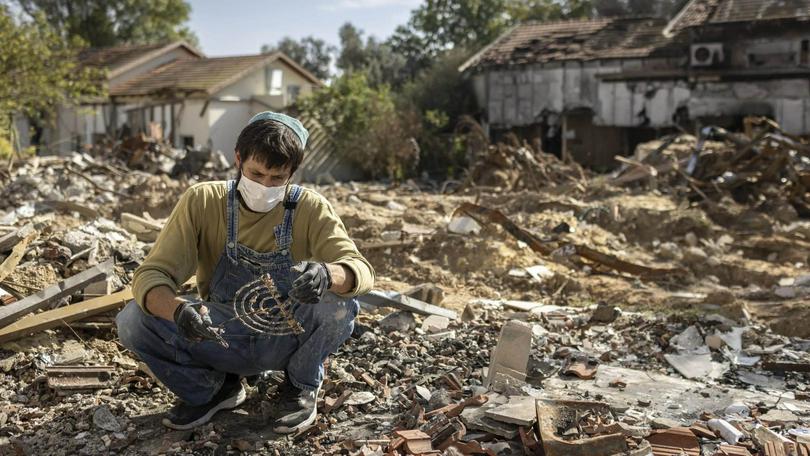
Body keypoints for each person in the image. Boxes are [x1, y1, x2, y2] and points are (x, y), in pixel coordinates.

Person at [115, 111, 374, 433]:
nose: (265, 185)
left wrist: (328, 273)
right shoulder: (203, 200)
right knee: (132, 320)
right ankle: (213, 389)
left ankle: (299, 387)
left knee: (338, 305)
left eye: (277, 178)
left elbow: (360, 269)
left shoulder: (311, 208)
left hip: (285, 334)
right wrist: (178, 311)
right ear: (238, 159)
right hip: (221, 331)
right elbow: (152, 273)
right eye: (256, 173)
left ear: (293, 172)